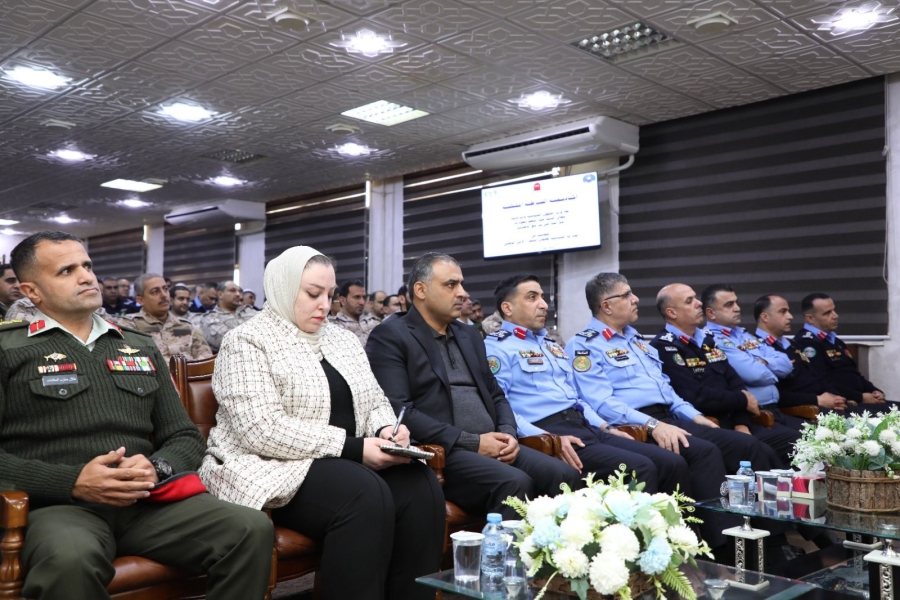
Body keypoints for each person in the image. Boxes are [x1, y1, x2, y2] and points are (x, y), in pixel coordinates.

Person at [1, 231, 273, 600]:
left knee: (249, 528)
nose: (86, 277)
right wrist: (73, 481)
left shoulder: (136, 344)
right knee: (70, 560)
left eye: (87, 266)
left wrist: (156, 467)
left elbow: (183, 436)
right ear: (31, 291)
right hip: (61, 507)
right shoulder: (9, 348)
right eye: (67, 271)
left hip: (146, 502)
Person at [201, 246, 444, 600]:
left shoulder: (342, 339)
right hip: (270, 465)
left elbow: (375, 400)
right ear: (283, 287)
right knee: (363, 493)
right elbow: (260, 430)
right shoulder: (246, 341)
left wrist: (386, 430)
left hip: (346, 461)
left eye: (330, 295)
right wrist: (353, 447)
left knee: (419, 485)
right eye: (313, 294)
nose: (324, 305)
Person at [366, 253, 581, 520]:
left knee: (564, 475)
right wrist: (473, 442)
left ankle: (548, 548)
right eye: (451, 285)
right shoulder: (391, 335)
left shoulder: (468, 334)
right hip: (444, 450)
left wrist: (508, 434)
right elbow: (400, 410)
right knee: (514, 483)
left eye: (462, 284)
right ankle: (500, 549)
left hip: (494, 442)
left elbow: (496, 394)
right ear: (421, 290)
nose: (462, 293)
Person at [486, 274, 692, 496]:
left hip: (585, 426)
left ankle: (681, 520)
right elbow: (502, 407)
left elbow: (576, 399)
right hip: (550, 432)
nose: (544, 304)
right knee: (640, 467)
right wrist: (547, 438)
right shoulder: (496, 348)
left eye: (543, 297)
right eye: (532, 297)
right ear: (507, 308)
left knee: (670, 462)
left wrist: (605, 427)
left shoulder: (549, 344)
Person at [650, 283, 786, 468]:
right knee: (762, 451)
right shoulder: (664, 347)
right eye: (689, 301)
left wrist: (741, 424)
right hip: (708, 424)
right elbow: (695, 395)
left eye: (695, 298)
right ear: (672, 313)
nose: (699, 303)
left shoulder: (707, 340)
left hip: (734, 421)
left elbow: (734, 381)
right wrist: (741, 400)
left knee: (790, 442)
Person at [699, 284, 802, 465]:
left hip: (775, 411)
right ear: (711, 313)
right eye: (729, 305)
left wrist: (764, 363)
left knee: (816, 436)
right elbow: (754, 374)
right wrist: (772, 372)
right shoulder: (712, 340)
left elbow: (786, 363)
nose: (737, 308)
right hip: (752, 415)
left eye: (736, 302)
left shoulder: (744, 335)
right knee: (800, 443)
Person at [754, 294, 856, 414]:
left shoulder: (793, 344)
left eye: (789, 311)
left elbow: (816, 377)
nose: (790, 316)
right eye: (783, 312)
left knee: (867, 416)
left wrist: (838, 397)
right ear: (765, 317)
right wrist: (816, 400)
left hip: (822, 402)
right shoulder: (757, 348)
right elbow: (776, 392)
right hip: (803, 409)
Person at [793, 293, 887, 405]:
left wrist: (874, 391)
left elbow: (853, 373)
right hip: (840, 403)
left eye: (834, 310)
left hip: (859, 399)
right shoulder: (806, 343)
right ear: (810, 318)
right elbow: (821, 382)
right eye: (827, 313)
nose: (835, 316)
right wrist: (860, 397)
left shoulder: (835, 341)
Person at [119, 274, 212, 361]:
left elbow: (206, 359)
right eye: (155, 292)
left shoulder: (186, 326)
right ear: (140, 300)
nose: (164, 295)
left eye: (165, 289)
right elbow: (128, 361)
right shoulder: (129, 326)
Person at [197, 280, 257, 353]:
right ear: (220, 294)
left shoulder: (249, 311)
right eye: (232, 290)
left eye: (239, 291)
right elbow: (228, 341)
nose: (238, 294)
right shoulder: (210, 318)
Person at [329, 279, 379, 345]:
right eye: (356, 297)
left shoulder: (373, 323)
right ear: (343, 300)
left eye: (364, 298)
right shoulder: (333, 327)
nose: (362, 302)